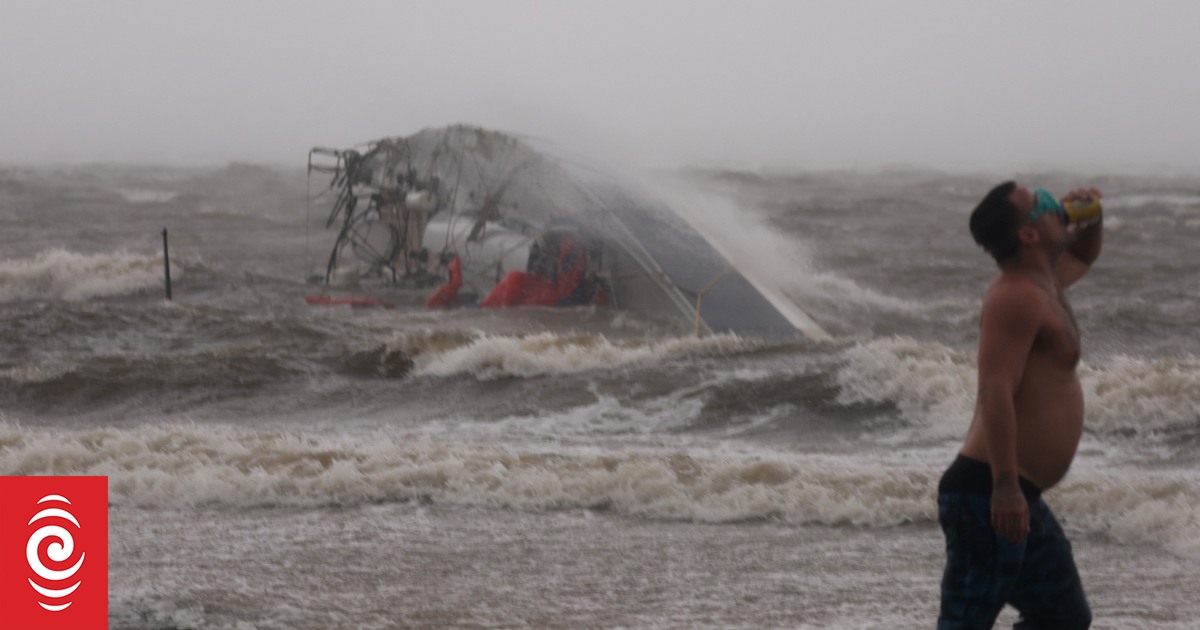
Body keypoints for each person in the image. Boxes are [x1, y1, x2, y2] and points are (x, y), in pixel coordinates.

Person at [937, 182, 1103, 629]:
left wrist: (1092, 221)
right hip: (988, 493)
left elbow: (1085, 256)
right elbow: (995, 392)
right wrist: (1005, 487)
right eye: (1042, 204)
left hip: (1018, 495)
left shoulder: (1045, 281)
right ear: (1028, 235)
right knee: (965, 621)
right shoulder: (1015, 297)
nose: (1055, 204)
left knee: (1064, 618)